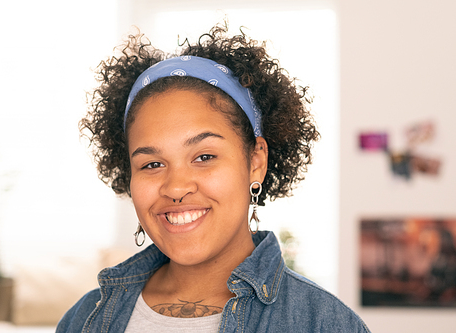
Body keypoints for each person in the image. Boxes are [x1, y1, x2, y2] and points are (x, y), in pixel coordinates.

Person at [56, 24, 370, 332]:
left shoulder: (323, 323)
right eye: (152, 164)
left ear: (255, 162)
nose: (176, 187)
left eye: (204, 157)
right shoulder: (85, 319)